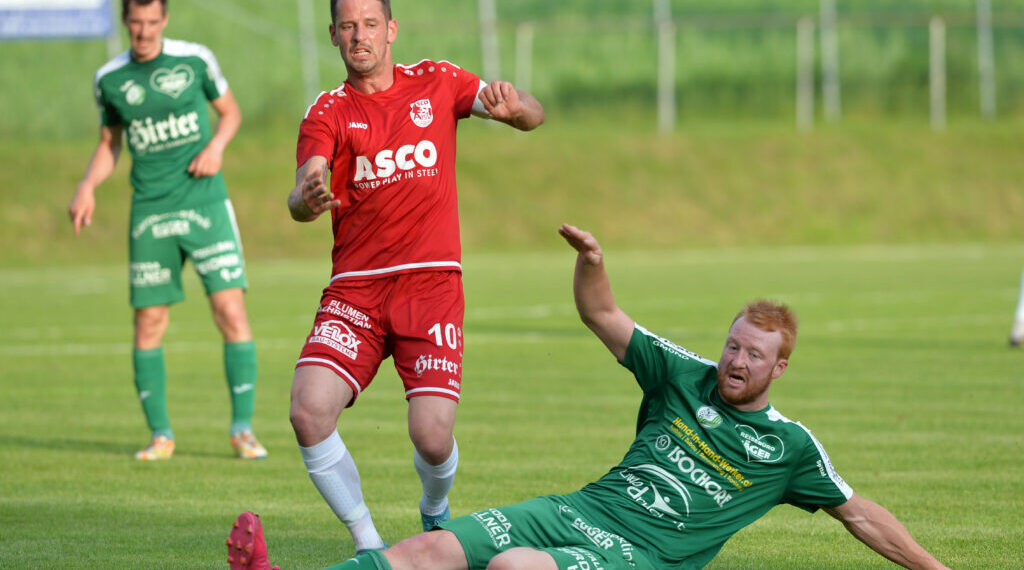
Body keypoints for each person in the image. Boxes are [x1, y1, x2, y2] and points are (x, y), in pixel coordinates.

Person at [228, 223, 951, 570]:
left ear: (780, 368)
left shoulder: (788, 448)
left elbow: (861, 515)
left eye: (752, 355)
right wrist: (593, 263)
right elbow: (603, 315)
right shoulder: (684, 373)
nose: (735, 361)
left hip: (642, 556)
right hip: (581, 509)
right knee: (430, 549)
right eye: (733, 345)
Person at [285, 0, 545, 554]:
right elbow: (303, 188)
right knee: (308, 410)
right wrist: (308, 196)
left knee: (431, 436)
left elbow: (534, 114)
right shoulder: (328, 110)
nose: (360, 36)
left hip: (430, 287)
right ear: (333, 34)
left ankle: (434, 508)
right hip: (356, 290)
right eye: (348, 26)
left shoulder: (437, 81)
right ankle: (369, 544)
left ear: (391, 30)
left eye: (370, 25)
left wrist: (514, 108)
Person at [68, 0, 267, 461]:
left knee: (231, 311)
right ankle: (160, 435)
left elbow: (231, 113)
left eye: (151, 22)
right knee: (149, 321)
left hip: (205, 202)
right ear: (124, 21)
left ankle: (242, 430)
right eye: (136, 23)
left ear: (165, 20)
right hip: (151, 210)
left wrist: (216, 147)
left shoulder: (195, 59)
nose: (143, 32)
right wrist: (87, 186)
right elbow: (109, 144)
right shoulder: (109, 79)